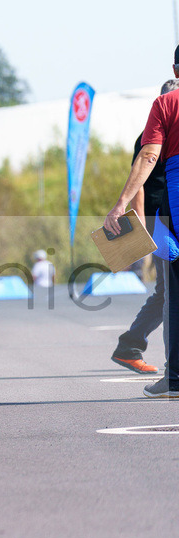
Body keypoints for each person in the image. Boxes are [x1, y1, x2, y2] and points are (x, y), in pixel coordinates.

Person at [104, 49, 179, 398]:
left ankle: (137, 347)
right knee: (167, 291)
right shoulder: (158, 119)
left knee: (168, 291)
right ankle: (143, 351)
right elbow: (144, 170)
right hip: (159, 216)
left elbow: (148, 164)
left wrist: (126, 211)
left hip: (168, 214)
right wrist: (140, 223)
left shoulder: (166, 110)